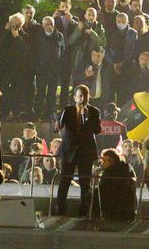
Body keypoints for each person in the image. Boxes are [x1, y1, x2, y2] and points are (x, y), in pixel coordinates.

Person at [57, 85, 102, 217]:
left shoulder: (94, 111)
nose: (83, 98)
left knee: (85, 183)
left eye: (85, 95)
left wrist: (86, 119)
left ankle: (84, 211)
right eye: (80, 95)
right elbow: (59, 125)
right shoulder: (68, 110)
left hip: (85, 152)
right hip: (69, 151)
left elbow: (97, 130)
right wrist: (56, 125)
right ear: (75, 97)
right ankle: (61, 210)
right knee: (64, 181)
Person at [96, 149, 137, 221]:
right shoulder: (127, 168)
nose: (102, 164)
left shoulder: (109, 172)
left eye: (104, 161)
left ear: (112, 161)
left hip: (113, 207)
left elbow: (103, 189)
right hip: (128, 208)